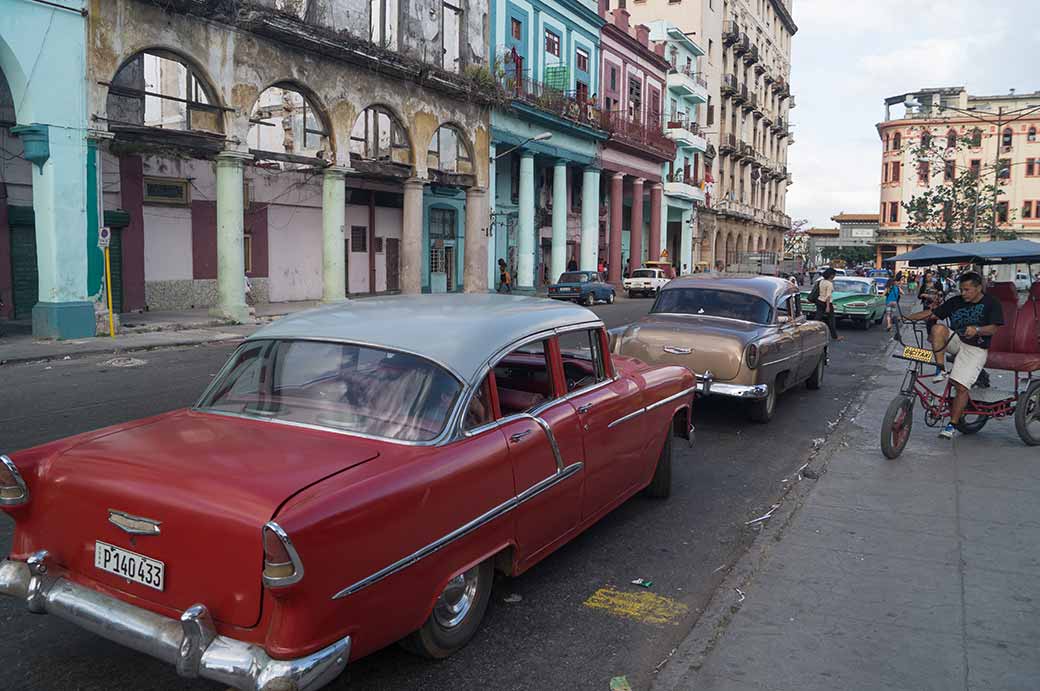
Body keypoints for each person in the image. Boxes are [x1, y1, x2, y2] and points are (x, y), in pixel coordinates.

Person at [905, 272, 1004, 439]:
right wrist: (905, 318)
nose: (963, 293)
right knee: (937, 329)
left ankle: (952, 424)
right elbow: (932, 314)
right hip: (957, 340)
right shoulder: (956, 301)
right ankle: (940, 369)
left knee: (961, 386)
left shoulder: (991, 303)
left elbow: (994, 328)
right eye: (961, 290)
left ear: (978, 288)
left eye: (967, 290)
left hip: (976, 348)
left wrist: (977, 329)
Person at [812, 268, 842, 341]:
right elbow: (828, 296)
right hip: (826, 302)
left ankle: (811, 331)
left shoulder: (821, 281)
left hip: (819, 301)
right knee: (831, 320)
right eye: (834, 275)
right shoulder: (829, 284)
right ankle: (835, 336)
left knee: (818, 318)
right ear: (831, 275)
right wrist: (828, 307)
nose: (834, 276)